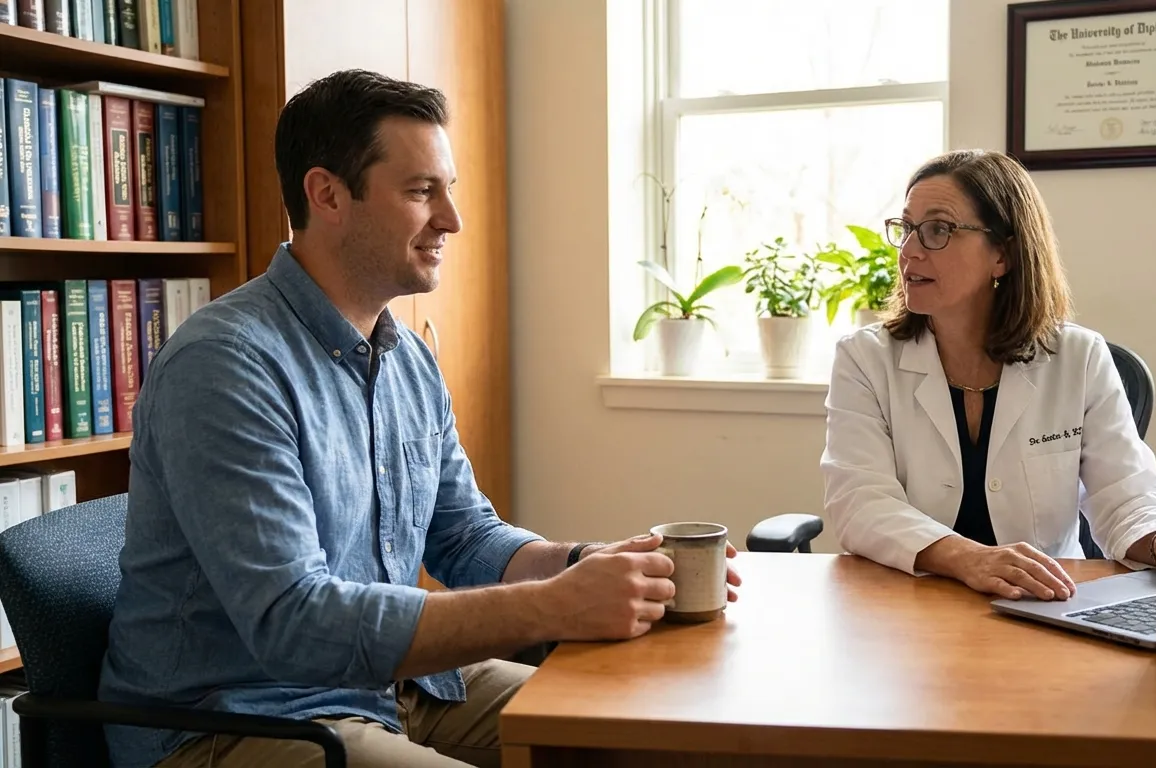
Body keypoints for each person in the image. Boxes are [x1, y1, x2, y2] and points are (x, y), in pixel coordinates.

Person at [97, 68, 739, 768]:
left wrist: (590, 563)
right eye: (420, 191)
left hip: (394, 688)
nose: (452, 221)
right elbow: (294, 624)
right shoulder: (225, 366)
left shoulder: (407, 358)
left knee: (653, 735)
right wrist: (557, 606)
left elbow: (464, 537)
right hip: (242, 719)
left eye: (448, 190)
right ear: (327, 194)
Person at [819, 148, 1156, 604]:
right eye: (906, 229)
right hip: (907, 609)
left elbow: (1126, 493)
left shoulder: (1078, 357)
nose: (909, 251)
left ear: (1002, 255)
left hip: (1047, 602)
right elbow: (859, 503)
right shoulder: (864, 358)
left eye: (937, 230)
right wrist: (970, 559)